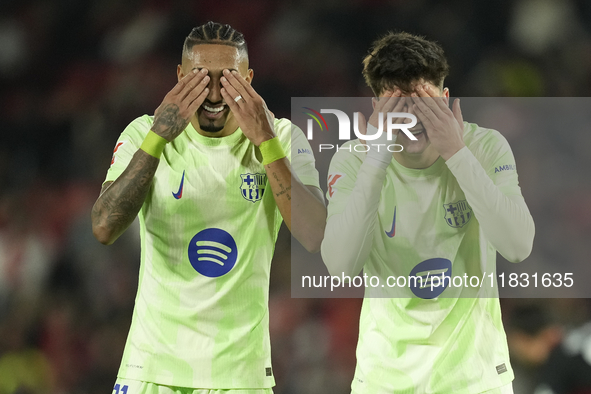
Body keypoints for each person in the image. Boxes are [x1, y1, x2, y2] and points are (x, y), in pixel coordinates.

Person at [91, 21, 326, 393]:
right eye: (201, 78)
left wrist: (265, 141)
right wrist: (158, 139)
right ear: (180, 76)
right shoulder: (144, 132)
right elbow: (104, 227)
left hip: (240, 376)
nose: (215, 94)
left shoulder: (281, 137)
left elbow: (315, 236)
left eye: (229, 79)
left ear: (249, 79)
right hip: (151, 368)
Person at [320, 32, 535, 393]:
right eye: (398, 106)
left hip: (475, 380)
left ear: (446, 99)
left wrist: (456, 153)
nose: (413, 118)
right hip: (385, 381)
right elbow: (341, 267)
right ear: (376, 110)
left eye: (424, 102)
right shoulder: (354, 160)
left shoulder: (484, 147)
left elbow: (518, 247)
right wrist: (377, 156)